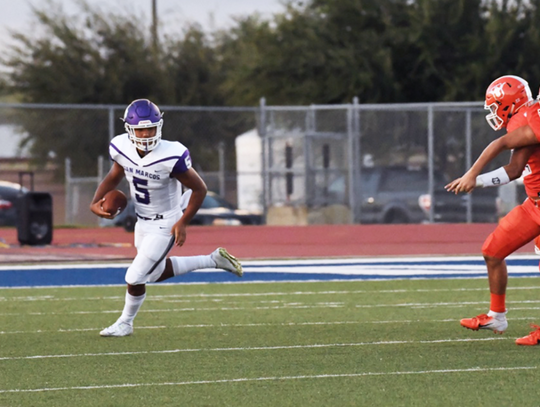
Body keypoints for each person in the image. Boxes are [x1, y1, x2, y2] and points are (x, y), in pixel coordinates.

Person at [90, 99, 243, 337]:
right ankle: (214, 260)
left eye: (150, 127)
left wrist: (182, 222)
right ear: (129, 129)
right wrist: (95, 201)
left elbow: (199, 189)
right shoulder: (121, 147)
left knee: (134, 276)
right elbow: (114, 175)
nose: (146, 133)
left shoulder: (171, 154)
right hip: (142, 221)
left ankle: (125, 323)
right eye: (140, 129)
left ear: (159, 126)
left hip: (166, 223)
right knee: (153, 273)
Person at [446, 75, 540, 346]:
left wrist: (472, 174)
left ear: (508, 103)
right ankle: (497, 316)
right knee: (492, 250)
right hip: (533, 205)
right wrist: (476, 181)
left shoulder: (532, 118)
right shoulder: (527, 118)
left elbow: (499, 144)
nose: (493, 112)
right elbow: (514, 170)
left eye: (495, 105)